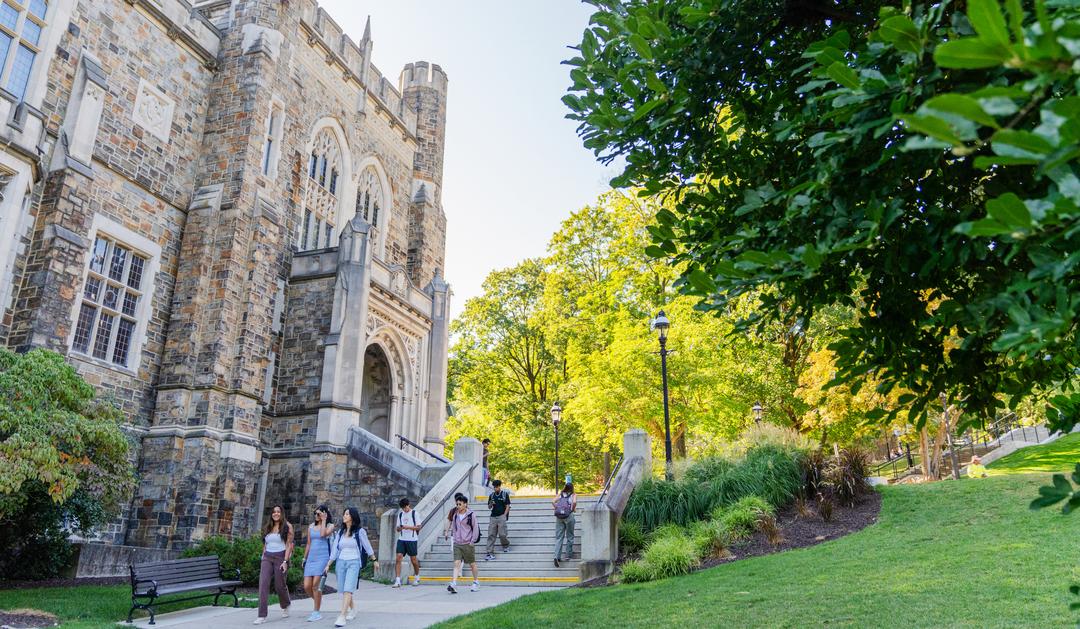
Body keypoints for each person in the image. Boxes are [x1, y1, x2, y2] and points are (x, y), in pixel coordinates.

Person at [325, 507, 379, 627]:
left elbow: (367, 546)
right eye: (344, 514)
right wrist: (328, 564)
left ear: (353, 517)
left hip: (354, 563)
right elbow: (335, 549)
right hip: (340, 563)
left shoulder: (360, 532)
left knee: (348, 589)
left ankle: (342, 616)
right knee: (344, 589)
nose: (344, 516)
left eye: (347, 514)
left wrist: (374, 560)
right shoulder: (340, 532)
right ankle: (353, 609)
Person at [254, 505, 292, 625]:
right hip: (267, 557)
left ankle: (285, 604)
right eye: (274, 512)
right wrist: (263, 556)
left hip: (281, 557)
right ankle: (262, 615)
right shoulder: (268, 527)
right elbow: (265, 543)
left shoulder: (287, 526)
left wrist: (285, 562)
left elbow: (289, 545)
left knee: (279, 585)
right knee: (263, 584)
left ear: (282, 513)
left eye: (278, 512)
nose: (276, 514)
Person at [301, 505, 333, 622]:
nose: (316, 515)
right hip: (311, 559)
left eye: (319, 513)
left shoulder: (330, 526)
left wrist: (324, 520)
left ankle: (316, 612)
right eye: (315, 513)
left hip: (322, 558)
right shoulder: (310, 527)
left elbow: (323, 534)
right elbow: (309, 543)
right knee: (306, 586)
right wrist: (304, 558)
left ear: (325, 514)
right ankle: (317, 602)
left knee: (315, 585)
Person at [443, 492, 480, 593]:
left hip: (468, 543)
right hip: (457, 543)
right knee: (456, 563)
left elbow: (475, 528)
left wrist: (472, 541)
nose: (458, 506)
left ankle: (476, 582)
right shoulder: (455, 515)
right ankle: (454, 583)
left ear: (465, 504)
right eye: (457, 504)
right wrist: (454, 539)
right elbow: (454, 528)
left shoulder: (471, 515)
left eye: (460, 504)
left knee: (472, 564)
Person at [393, 497, 421, 588]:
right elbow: (397, 528)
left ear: (409, 505)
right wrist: (400, 528)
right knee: (398, 558)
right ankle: (397, 580)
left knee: (413, 560)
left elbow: (418, 527)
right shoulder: (400, 515)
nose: (405, 509)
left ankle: (417, 576)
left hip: (412, 539)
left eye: (406, 507)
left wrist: (407, 527)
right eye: (403, 508)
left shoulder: (414, 513)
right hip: (402, 539)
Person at [552, 482, 577, 568]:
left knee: (559, 537)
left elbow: (552, 502)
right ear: (572, 488)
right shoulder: (573, 494)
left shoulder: (561, 494)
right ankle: (568, 555)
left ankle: (556, 556)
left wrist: (557, 508)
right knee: (570, 536)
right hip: (569, 516)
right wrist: (572, 510)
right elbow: (574, 502)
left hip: (559, 517)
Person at [484, 480, 510, 560]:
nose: (495, 488)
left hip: (501, 516)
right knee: (491, 534)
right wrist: (491, 503)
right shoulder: (491, 495)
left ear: (499, 486)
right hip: (493, 517)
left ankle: (505, 545)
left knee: (502, 534)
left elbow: (507, 506)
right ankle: (489, 553)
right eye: (494, 487)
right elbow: (489, 507)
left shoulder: (504, 494)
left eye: (496, 487)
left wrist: (504, 516)